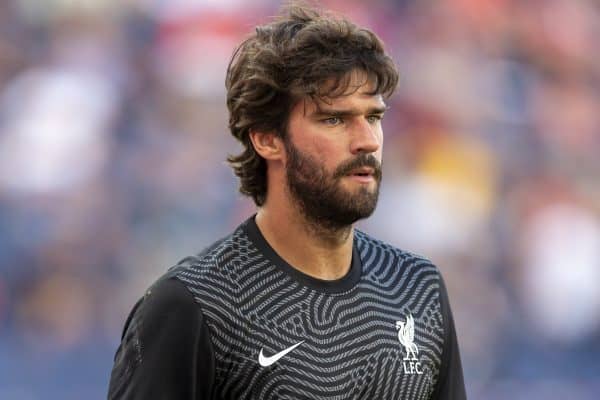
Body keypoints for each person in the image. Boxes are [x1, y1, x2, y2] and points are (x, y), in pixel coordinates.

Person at [108, 5, 466, 400]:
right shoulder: (193, 305)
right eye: (334, 119)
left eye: (373, 117)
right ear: (267, 138)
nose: (367, 140)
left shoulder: (417, 287)